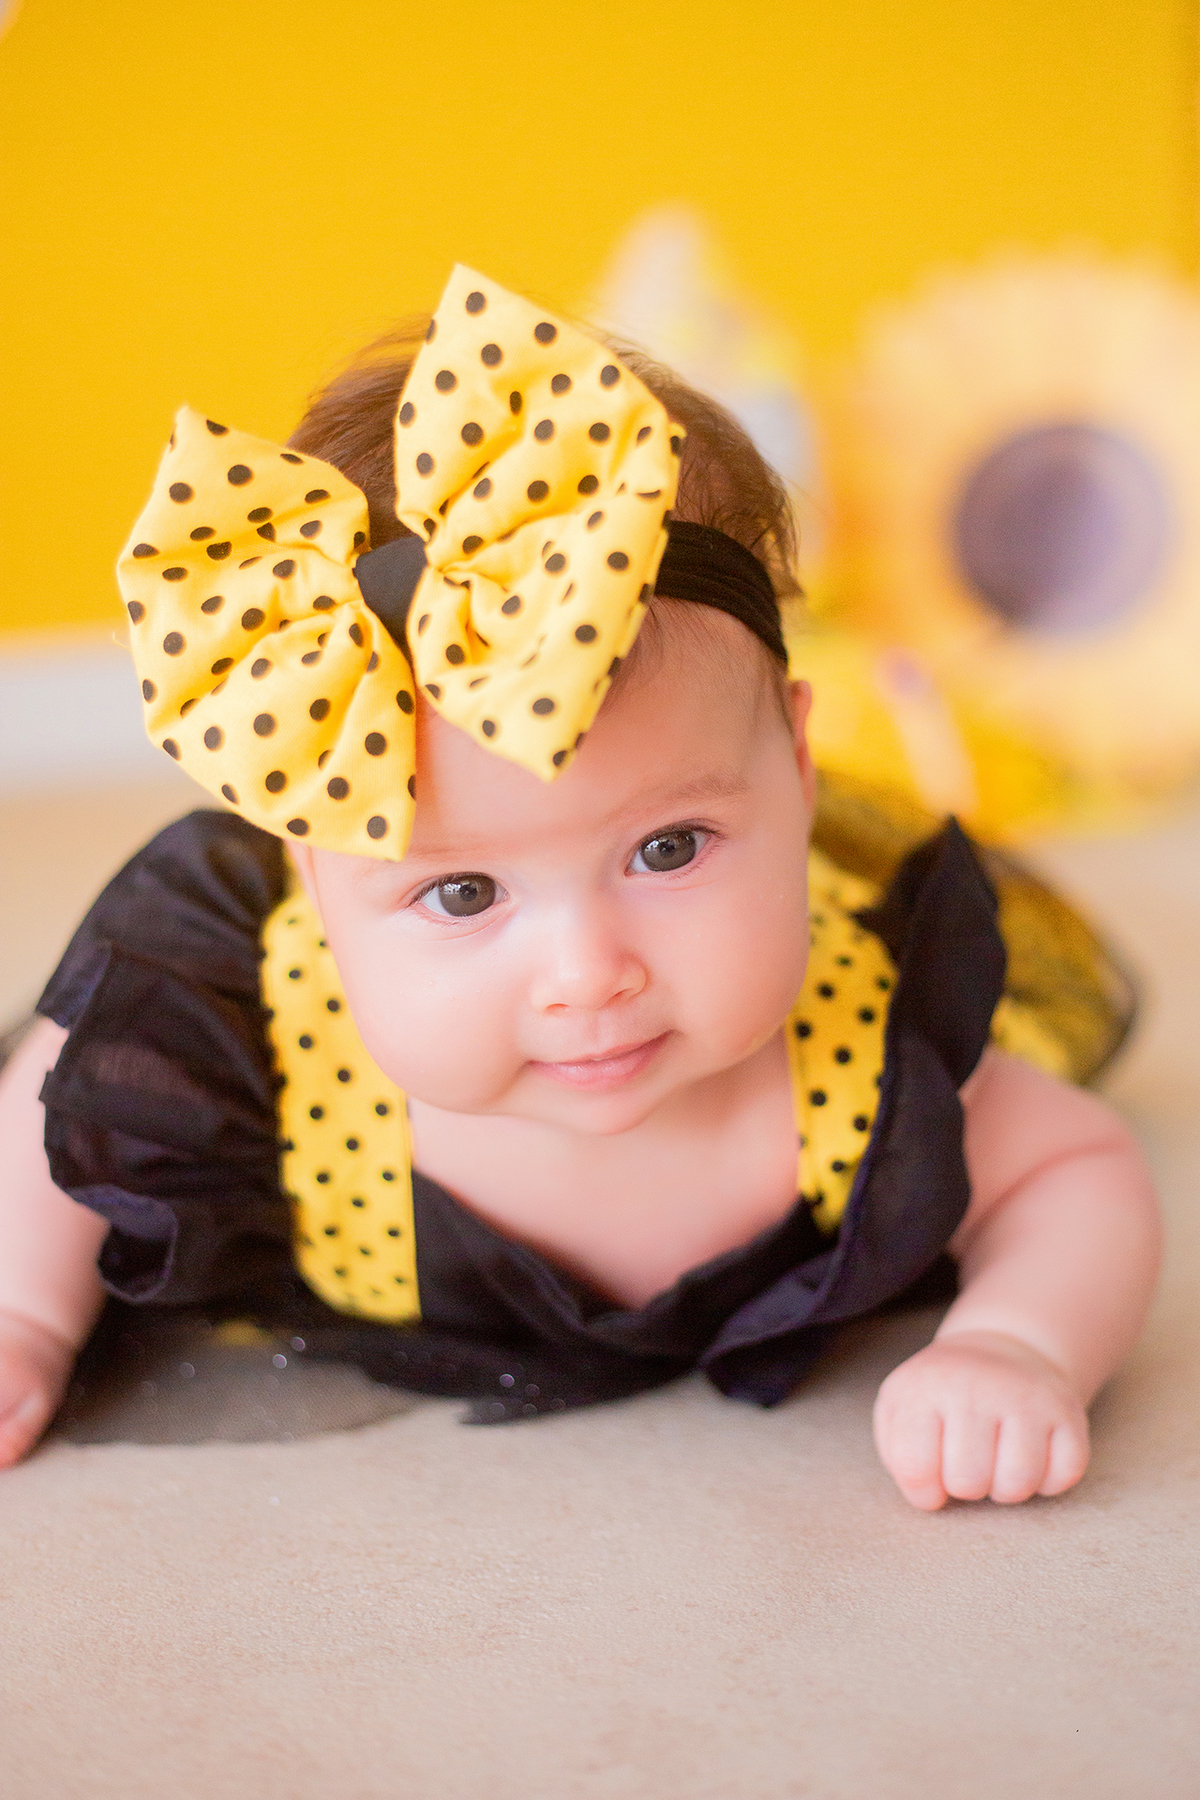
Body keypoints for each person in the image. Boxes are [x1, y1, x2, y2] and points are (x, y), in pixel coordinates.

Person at [0, 268, 1160, 1508]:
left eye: (668, 850)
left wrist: (1021, 1340)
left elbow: (1075, 1172)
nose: (587, 971)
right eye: (460, 896)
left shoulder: (861, 1045)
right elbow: (52, 1111)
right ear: (305, 862)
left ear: (801, 769)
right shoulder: (260, 1035)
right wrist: (24, 1309)